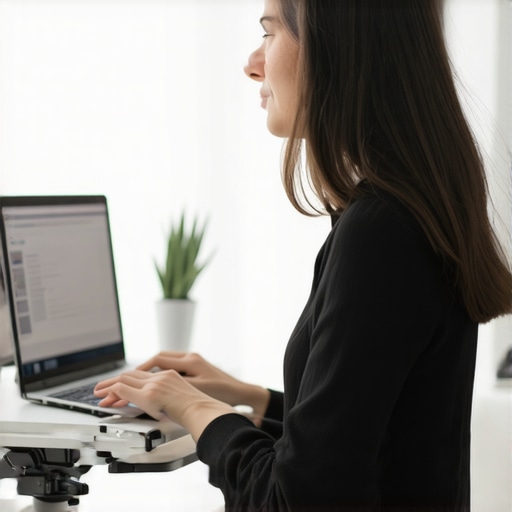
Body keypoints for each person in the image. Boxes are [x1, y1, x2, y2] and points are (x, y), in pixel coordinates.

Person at [94, 0, 512, 510]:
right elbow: (369, 442)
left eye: (269, 34)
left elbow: (295, 500)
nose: (252, 63)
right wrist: (252, 398)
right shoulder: (408, 212)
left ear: (334, 49)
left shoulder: (381, 233)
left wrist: (192, 407)